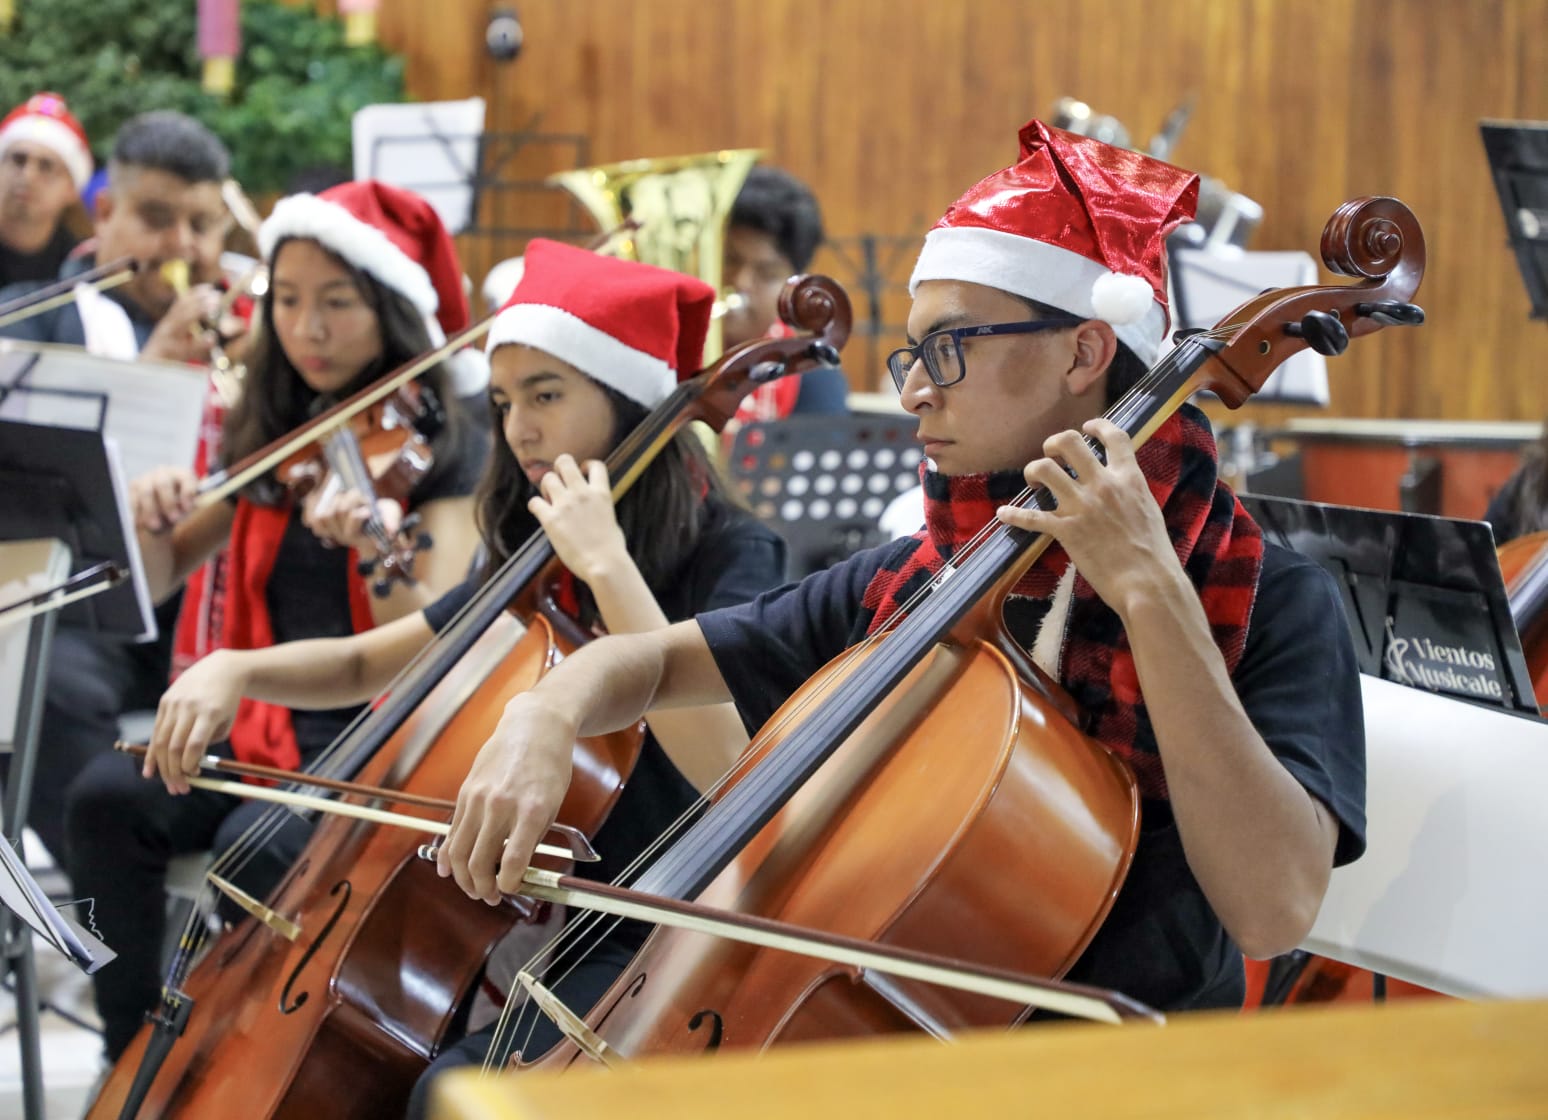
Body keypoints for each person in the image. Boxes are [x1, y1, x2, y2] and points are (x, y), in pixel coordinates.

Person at [437, 120, 1367, 1029]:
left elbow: (1271, 910)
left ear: (1083, 351)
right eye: (912, 353)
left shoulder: (1273, 598)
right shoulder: (922, 581)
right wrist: (544, 714)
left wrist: (1150, 595)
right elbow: (645, 665)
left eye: (949, 348)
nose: (915, 389)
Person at [128, 238, 784, 1106]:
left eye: (546, 395)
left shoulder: (734, 551)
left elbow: (730, 771)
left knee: (451, 1093)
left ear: (629, 398)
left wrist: (608, 568)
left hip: (643, 916)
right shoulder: (531, 550)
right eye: (505, 401)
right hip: (510, 899)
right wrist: (236, 667)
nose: (519, 429)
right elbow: (367, 661)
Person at [65, 180, 491, 1062]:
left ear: (392, 311)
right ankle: (130, 1053)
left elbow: (430, 645)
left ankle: (253, 1069)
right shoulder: (280, 431)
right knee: (105, 799)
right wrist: (149, 515)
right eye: (288, 301)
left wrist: (373, 549)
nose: (308, 329)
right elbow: (157, 576)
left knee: (250, 847)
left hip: (373, 744)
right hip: (260, 727)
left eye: (337, 303)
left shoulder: (445, 447)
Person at [1, 111, 242, 866]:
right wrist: (152, 377)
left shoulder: (257, 325)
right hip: (90, 617)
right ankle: (107, 884)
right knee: (45, 683)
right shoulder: (38, 320)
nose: (182, 247)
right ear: (104, 212)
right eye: (157, 218)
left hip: (226, 606)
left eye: (202, 225)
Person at [722, 166, 850, 426]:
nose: (740, 282)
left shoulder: (813, 374)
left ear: (794, 286)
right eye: (728, 260)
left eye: (767, 273)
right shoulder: (666, 364)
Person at [0, 92, 90, 287]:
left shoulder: (83, 268)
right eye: (18, 160)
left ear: (72, 189)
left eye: (46, 166)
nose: (28, 176)